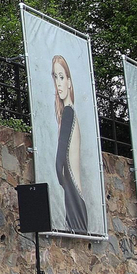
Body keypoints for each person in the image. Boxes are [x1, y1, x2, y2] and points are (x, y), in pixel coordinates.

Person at [49, 55, 91, 233]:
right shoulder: (71, 112)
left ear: (69, 81)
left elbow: (60, 160)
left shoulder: (68, 113)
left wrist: (61, 179)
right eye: (55, 77)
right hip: (76, 195)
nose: (58, 83)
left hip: (72, 191)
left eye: (61, 77)